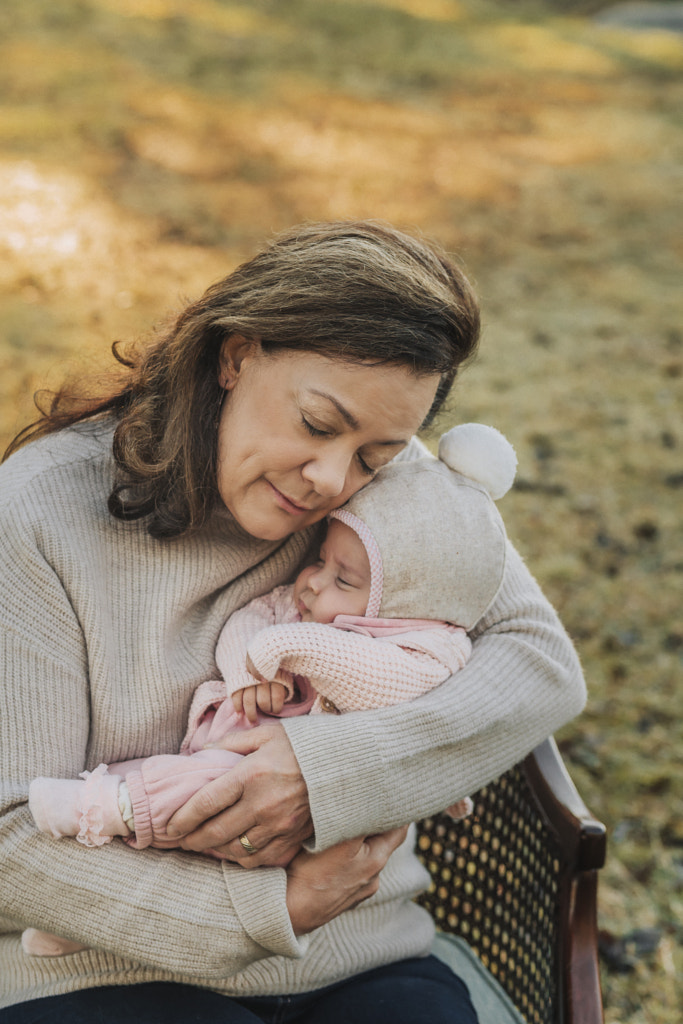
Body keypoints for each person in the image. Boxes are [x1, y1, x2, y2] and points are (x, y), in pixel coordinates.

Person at [0, 220, 586, 1022]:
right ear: (235, 356)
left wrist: (320, 772)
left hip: (358, 955)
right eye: (316, 425)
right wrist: (268, 910)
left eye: (375, 455)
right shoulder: (37, 513)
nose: (330, 480)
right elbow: (10, 839)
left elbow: (538, 665)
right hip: (100, 972)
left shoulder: (399, 495)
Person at [26, 420, 514, 904]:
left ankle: (104, 811)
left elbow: (378, 678)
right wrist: (245, 671)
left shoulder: (428, 646)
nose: (312, 582)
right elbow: (252, 619)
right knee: (154, 772)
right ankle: (85, 919)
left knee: (190, 793)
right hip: (222, 752)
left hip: (289, 808)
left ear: (404, 603)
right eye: (320, 559)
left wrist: (285, 648)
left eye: (343, 580)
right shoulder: (301, 606)